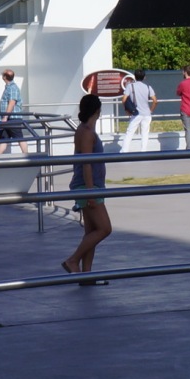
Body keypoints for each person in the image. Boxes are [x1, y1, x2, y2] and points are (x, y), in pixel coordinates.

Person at [61, 93, 112, 280]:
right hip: (88, 187)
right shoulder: (87, 132)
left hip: (90, 186)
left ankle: (86, 275)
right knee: (105, 229)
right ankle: (73, 260)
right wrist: (91, 192)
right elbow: (86, 164)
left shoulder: (84, 129)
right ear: (97, 110)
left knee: (91, 232)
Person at [123, 70, 157, 152]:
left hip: (136, 113)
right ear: (144, 77)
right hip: (146, 114)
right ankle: (143, 150)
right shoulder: (148, 87)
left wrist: (127, 110)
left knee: (129, 132)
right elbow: (155, 101)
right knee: (145, 133)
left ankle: (124, 150)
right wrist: (151, 110)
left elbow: (124, 99)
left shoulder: (130, 86)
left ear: (134, 77)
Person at [0, 69, 24, 155]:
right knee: (3, 139)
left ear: (4, 77)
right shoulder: (9, 87)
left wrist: (5, 117)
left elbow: (12, 103)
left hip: (12, 119)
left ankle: (27, 156)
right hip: (7, 119)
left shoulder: (12, 88)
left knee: (20, 138)